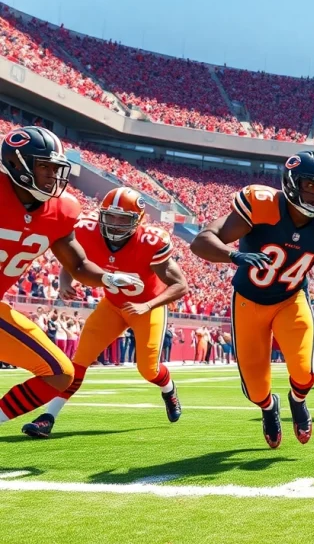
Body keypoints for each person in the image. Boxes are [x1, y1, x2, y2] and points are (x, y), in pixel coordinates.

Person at [190, 150, 314, 448]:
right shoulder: (261, 205)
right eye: (312, 186)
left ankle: (298, 401)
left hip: (290, 300)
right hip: (248, 301)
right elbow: (202, 240)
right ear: (293, 182)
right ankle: (269, 408)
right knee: (255, 390)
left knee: (305, 372)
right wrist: (234, 255)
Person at [0, 126, 141, 431]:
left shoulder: (62, 209)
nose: (53, 175)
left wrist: (108, 278)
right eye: (44, 166)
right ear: (17, 164)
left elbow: (77, 265)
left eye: (56, 168)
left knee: (60, 374)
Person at [22, 187, 189, 438]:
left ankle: (168, 389)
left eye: (123, 218)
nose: (115, 223)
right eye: (110, 216)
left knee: (148, 370)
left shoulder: (151, 241)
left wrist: (147, 305)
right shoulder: (87, 230)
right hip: (112, 305)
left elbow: (180, 285)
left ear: (139, 220)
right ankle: (48, 417)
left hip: (147, 307)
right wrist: (65, 281)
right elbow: (72, 260)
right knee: (78, 362)